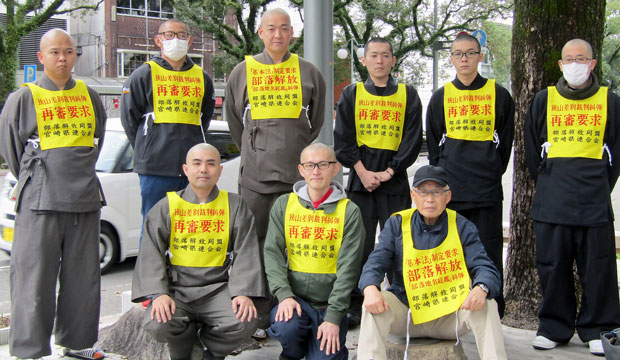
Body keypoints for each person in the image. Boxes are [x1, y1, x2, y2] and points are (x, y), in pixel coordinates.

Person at [0, 29, 107, 359]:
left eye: (69, 52)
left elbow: (97, 139)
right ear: (41, 57)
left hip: (85, 196)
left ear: (76, 56)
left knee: (83, 275)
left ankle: (76, 343)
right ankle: (29, 349)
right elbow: (11, 149)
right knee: (33, 276)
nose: (63, 58)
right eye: (56, 52)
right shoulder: (24, 97)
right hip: (40, 198)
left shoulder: (89, 95)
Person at [525, 38, 620, 356]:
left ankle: (600, 330)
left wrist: (598, 185)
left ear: (592, 64)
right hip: (552, 203)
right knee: (552, 267)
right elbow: (530, 152)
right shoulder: (543, 100)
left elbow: (616, 155)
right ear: (561, 65)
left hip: (593, 203)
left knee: (599, 269)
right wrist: (552, 182)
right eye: (569, 59)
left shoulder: (611, 101)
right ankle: (554, 327)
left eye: (582, 58)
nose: (575, 64)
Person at [357, 165, 507, 360]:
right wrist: (369, 288)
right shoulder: (397, 223)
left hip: (449, 315)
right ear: (413, 195)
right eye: (423, 192)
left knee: (488, 304)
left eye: (437, 192)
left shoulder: (461, 225)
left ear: (448, 196)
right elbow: (375, 263)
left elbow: (485, 266)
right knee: (372, 304)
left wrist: (481, 287)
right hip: (407, 313)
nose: (430, 199)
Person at [132, 143, 266, 360]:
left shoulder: (234, 205)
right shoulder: (166, 206)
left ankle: (210, 351)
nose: (204, 169)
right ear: (186, 169)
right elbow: (151, 253)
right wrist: (159, 293)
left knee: (245, 320)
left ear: (220, 170)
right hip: (177, 290)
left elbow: (246, 251)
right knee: (157, 322)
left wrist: (242, 292)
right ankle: (188, 345)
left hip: (217, 289)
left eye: (211, 163)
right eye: (197, 163)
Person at [333, 37, 423, 325]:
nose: (380, 61)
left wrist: (388, 172)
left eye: (385, 55)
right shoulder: (351, 94)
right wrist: (360, 170)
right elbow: (343, 139)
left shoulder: (408, 95)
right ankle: (356, 303)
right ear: (364, 60)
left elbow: (412, 140)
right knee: (359, 246)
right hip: (360, 182)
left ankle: (399, 301)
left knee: (398, 242)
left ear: (393, 60)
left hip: (394, 182)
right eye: (374, 55)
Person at [426, 33, 514, 318]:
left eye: (470, 53)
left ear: (480, 56)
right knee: (451, 252)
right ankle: (451, 309)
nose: (464, 59)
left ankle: (490, 310)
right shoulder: (440, 97)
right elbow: (435, 146)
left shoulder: (499, 94)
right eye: (458, 54)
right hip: (452, 190)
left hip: (486, 188)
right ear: (450, 58)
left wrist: (490, 169)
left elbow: (506, 144)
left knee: (488, 251)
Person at [225, 7, 326, 246]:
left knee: (295, 237)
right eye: (271, 29)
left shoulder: (309, 71)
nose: (277, 34)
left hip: (295, 169)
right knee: (254, 237)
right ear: (261, 32)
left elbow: (317, 119)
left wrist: (296, 142)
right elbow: (233, 119)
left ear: (292, 32)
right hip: (256, 171)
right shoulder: (243, 71)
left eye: (283, 28)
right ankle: (257, 285)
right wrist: (253, 147)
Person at [263, 143, 365, 360]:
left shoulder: (349, 211)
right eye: (310, 165)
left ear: (335, 168)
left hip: (329, 305)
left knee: (326, 355)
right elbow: (272, 253)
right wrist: (284, 295)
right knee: (286, 327)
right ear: (301, 170)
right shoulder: (284, 204)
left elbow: (349, 268)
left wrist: (334, 316)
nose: (316, 171)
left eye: (323, 164)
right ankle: (291, 354)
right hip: (295, 300)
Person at [121, 18, 215, 238]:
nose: (176, 40)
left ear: (190, 41)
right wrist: (149, 147)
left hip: (193, 168)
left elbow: (205, 118)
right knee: (154, 225)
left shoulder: (202, 78)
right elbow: (129, 119)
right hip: (155, 167)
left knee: (190, 229)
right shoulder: (143, 75)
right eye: (169, 35)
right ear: (158, 40)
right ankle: (150, 273)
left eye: (182, 35)